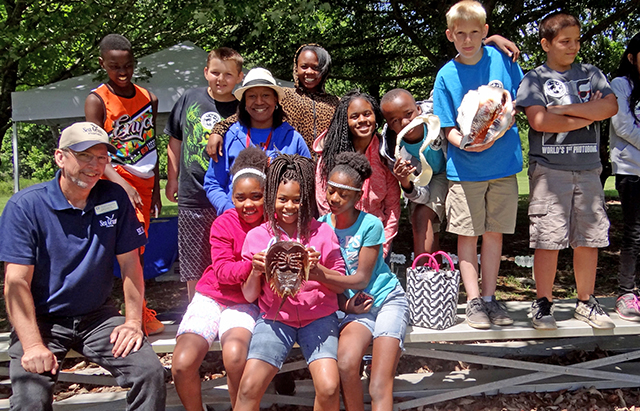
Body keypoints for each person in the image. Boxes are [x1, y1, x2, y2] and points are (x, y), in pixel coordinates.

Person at [0, 122, 166, 410]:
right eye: (85, 156)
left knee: (149, 372)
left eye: (101, 157)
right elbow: (15, 283)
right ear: (60, 157)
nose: (94, 165)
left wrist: (132, 322)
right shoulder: (25, 207)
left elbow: (131, 265)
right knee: (30, 398)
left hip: (98, 317)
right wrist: (33, 345)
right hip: (42, 319)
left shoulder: (114, 197)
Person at [517, 12, 619, 330]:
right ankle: (543, 303)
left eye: (577, 40)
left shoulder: (591, 74)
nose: (573, 46)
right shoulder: (534, 78)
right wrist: (589, 115)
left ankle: (585, 302)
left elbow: (610, 107)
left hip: (588, 169)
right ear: (546, 44)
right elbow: (540, 121)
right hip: (549, 170)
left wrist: (564, 110)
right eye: (565, 41)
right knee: (548, 239)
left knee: (589, 238)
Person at [432, 0, 523, 329]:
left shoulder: (499, 58)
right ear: (450, 35)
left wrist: (495, 136)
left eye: (475, 32)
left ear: (484, 32)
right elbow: (445, 126)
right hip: (465, 169)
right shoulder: (445, 75)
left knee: (494, 234)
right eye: (460, 34)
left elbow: (517, 101)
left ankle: (489, 298)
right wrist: (469, 143)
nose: (467, 40)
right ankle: (472, 301)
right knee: (468, 235)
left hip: (503, 166)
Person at [235, 154, 346, 411]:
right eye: (282, 199)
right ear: (272, 197)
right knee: (249, 386)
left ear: (305, 199)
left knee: (329, 388)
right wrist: (255, 271)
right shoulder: (257, 236)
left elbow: (340, 284)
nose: (289, 206)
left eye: (297, 200)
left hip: (319, 317)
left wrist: (317, 271)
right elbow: (250, 295)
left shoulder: (322, 232)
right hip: (274, 320)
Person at [172, 147, 267, 411]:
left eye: (256, 197)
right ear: (231, 198)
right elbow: (223, 272)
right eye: (240, 198)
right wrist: (253, 264)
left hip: (245, 302)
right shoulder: (224, 223)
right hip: (211, 297)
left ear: (266, 196)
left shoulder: (273, 225)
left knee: (235, 358)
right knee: (182, 362)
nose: (248, 204)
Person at [84, 33, 164, 335]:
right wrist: (121, 185)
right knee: (128, 247)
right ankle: (135, 313)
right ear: (103, 64)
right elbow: (94, 152)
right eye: (115, 67)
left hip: (144, 180)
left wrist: (155, 189)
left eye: (128, 66)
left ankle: (136, 309)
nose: (122, 72)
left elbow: (150, 145)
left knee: (139, 246)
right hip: (113, 178)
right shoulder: (97, 100)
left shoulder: (148, 98)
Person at [317, 152, 409, 411]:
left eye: (343, 194)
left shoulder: (371, 225)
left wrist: (319, 273)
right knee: (346, 363)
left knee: (379, 383)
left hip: (386, 300)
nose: (334, 199)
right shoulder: (321, 227)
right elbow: (324, 287)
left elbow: (361, 278)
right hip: (355, 307)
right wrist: (345, 306)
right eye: (331, 190)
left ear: (358, 197)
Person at [165, 47, 244, 301]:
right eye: (215, 72)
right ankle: (195, 309)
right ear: (206, 72)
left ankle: (228, 305)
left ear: (239, 77)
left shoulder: (243, 107)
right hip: (192, 193)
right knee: (193, 258)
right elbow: (174, 141)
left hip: (229, 195)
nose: (221, 79)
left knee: (226, 254)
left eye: (228, 75)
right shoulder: (190, 97)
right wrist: (173, 178)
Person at [203, 67, 310, 216]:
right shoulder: (229, 136)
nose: (259, 102)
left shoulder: (293, 138)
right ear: (245, 102)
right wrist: (230, 210)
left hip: (281, 225)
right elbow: (213, 183)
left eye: (265, 95)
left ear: (276, 100)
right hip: (239, 221)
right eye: (252, 96)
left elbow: (308, 184)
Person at [207, 44, 340, 157]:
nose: (309, 72)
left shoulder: (336, 104)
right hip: (291, 169)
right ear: (296, 68)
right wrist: (217, 131)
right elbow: (243, 116)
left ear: (324, 69)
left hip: (325, 174)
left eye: (315, 67)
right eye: (304, 66)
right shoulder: (286, 96)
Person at [316, 90, 401, 258]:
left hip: (377, 240)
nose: (362, 120)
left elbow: (392, 206)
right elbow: (324, 202)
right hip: (339, 241)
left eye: (367, 114)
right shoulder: (330, 156)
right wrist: (335, 241)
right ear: (345, 121)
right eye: (354, 116)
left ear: (375, 115)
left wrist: (383, 247)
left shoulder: (386, 153)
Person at [380, 89, 448, 256]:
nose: (404, 122)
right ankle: (427, 275)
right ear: (389, 124)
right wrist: (405, 183)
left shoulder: (435, 113)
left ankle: (425, 273)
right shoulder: (394, 152)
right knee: (423, 221)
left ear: (418, 109)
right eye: (395, 120)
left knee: (423, 217)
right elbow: (421, 195)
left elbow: (445, 90)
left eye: (408, 114)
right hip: (426, 181)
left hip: (452, 170)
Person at [610, 33, 640, 322]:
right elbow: (624, 127)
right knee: (635, 233)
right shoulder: (621, 85)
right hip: (631, 172)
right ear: (632, 57)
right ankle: (625, 292)